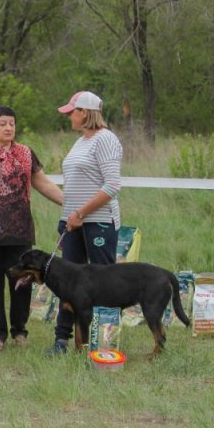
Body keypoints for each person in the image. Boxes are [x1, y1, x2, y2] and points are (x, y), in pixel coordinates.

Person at [0, 106, 63, 350]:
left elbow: (43, 183)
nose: (8, 128)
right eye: (2, 124)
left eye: (12, 123)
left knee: (22, 282)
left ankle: (19, 331)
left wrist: (71, 205)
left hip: (20, 230)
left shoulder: (25, 153)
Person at [47, 90, 123, 355]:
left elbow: (112, 184)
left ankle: (104, 340)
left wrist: (81, 212)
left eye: (72, 112)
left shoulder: (106, 140)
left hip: (97, 221)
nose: (69, 117)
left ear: (85, 113)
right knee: (68, 281)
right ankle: (62, 339)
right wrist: (68, 215)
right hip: (73, 222)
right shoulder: (80, 142)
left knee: (104, 281)